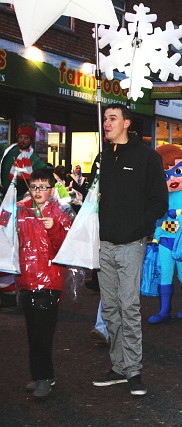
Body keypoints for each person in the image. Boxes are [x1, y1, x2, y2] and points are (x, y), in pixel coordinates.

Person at [91, 103, 168, 396]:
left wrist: (138, 226)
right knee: (110, 309)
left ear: (126, 123)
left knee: (129, 307)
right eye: (105, 119)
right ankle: (118, 367)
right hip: (105, 245)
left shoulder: (147, 157)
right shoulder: (103, 157)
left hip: (132, 245)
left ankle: (134, 371)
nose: (107, 123)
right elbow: (93, 197)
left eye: (112, 119)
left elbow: (160, 201)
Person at [16, 168, 73, 399]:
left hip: (49, 282)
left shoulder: (59, 213)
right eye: (34, 186)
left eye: (43, 186)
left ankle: (44, 377)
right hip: (26, 280)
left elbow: (67, 249)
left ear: (52, 189)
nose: (38, 191)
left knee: (42, 333)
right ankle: (41, 375)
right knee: (33, 331)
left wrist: (55, 228)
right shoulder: (20, 211)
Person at [146, 144, 182, 323]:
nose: (172, 179)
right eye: (165, 175)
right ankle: (164, 310)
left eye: (178, 171)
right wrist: (156, 237)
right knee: (165, 275)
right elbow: (159, 219)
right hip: (165, 239)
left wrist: (178, 213)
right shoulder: (162, 194)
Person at [0, 123, 47, 199]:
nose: (22, 140)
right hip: (2, 195)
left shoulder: (34, 158)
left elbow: (42, 174)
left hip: (21, 200)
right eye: (20, 137)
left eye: (26, 138)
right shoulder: (7, 150)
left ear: (31, 140)